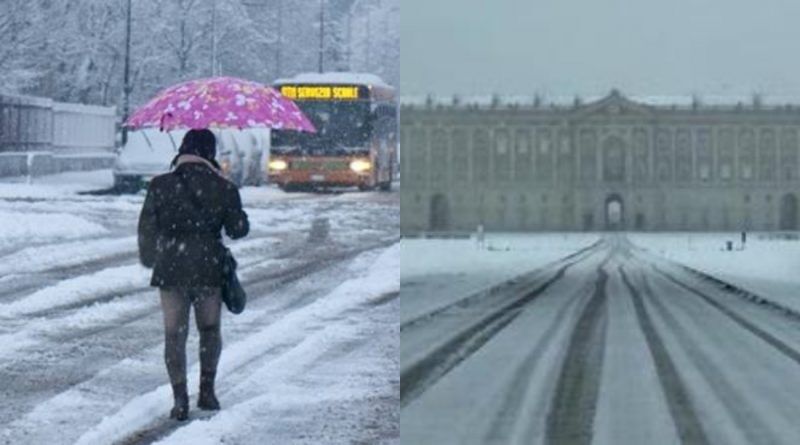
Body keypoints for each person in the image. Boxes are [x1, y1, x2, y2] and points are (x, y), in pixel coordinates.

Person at [137, 129, 249, 421]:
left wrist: (152, 258)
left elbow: (147, 227)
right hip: (208, 268)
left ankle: (179, 400)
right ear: (209, 153)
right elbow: (238, 229)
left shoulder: (160, 185)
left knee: (174, 334)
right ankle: (207, 392)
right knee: (209, 331)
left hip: (170, 269)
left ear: (183, 150)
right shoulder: (223, 187)